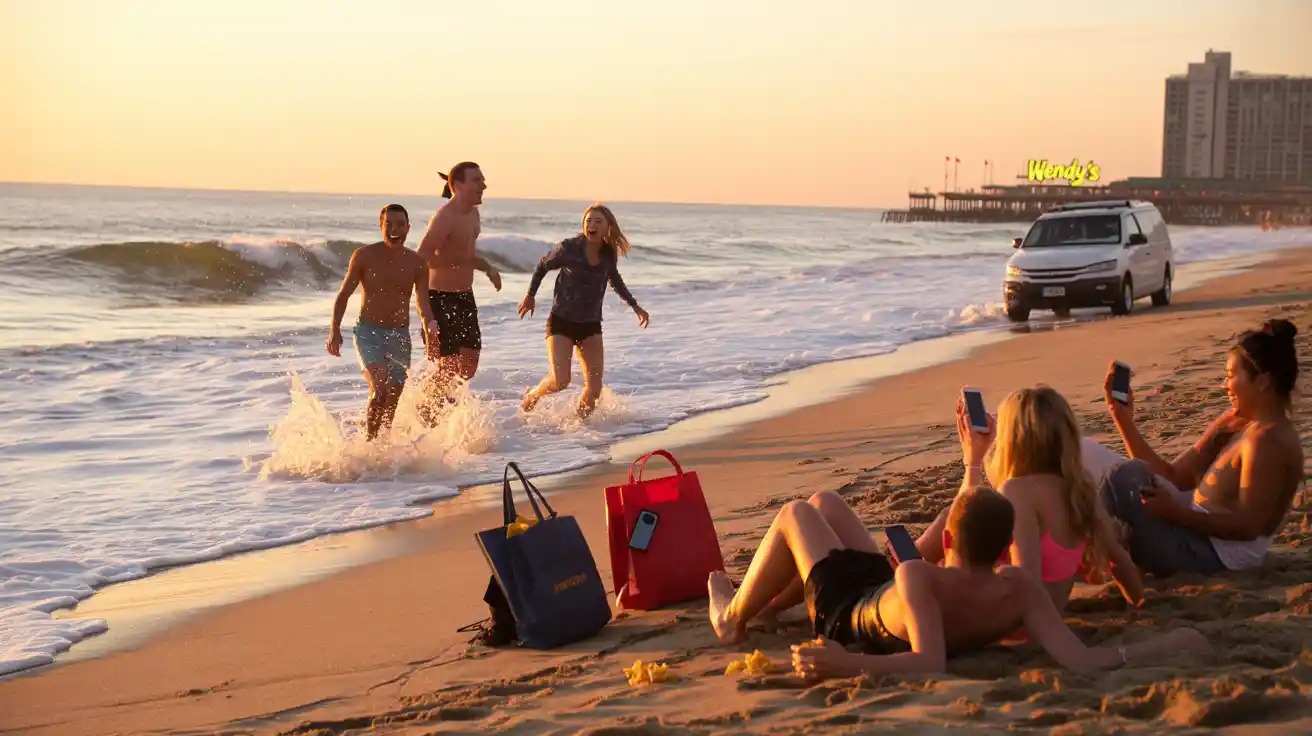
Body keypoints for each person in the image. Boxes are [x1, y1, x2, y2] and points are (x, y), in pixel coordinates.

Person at [707, 487, 1207, 679]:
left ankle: (731, 618)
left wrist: (846, 664)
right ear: (1004, 546)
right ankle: (765, 603)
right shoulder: (1019, 587)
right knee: (827, 503)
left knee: (796, 513)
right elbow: (1082, 659)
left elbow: (929, 662)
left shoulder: (918, 575)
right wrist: (1164, 645)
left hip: (846, 615)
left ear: (946, 538)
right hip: (884, 594)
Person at [1097, 319, 1303, 577]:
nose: (1224, 385)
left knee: (1119, 478)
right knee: (1119, 473)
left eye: (1231, 376)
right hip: (1190, 532)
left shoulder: (1267, 441)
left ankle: (1086, 557)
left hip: (1208, 555)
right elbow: (1173, 476)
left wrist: (1175, 513)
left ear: (1262, 382)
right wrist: (1122, 419)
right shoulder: (1236, 423)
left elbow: (1249, 526)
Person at [912, 387, 1144, 609]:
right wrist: (1138, 600)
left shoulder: (1018, 492)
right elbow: (1119, 560)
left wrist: (972, 463)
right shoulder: (1079, 487)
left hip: (1014, 618)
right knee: (952, 526)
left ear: (1010, 440)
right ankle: (903, 564)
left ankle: (900, 568)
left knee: (940, 534)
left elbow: (1026, 580)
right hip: (1047, 608)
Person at [517, 204, 650, 418]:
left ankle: (580, 428)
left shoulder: (608, 254)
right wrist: (530, 295)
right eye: (588, 220)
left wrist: (634, 305)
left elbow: (614, 279)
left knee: (594, 390)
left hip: (590, 324)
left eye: (598, 221)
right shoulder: (568, 248)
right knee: (560, 381)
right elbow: (543, 265)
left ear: (607, 227)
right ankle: (533, 395)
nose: (592, 225)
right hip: (561, 322)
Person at [327, 204, 438, 441]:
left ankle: (382, 445)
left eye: (400, 225)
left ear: (408, 228)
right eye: (389, 224)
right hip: (368, 333)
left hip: (399, 335)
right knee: (380, 389)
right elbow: (344, 294)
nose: (394, 230)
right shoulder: (364, 256)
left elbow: (423, 304)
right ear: (380, 226)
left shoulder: (417, 262)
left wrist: (430, 327)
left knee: (393, 397)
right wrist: (334, 330)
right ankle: (369, 443)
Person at [415, 162, 502, 417]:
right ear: (458, 185)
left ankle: (437, 411)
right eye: (477, 180)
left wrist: (487, 268)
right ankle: (423, 412)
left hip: (465, 296)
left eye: (482, 180)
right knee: (449, 367)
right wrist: (426, 317)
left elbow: (467, 253)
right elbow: (422, 257)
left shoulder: (473, 213)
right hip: (440, 298)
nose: (483, 185)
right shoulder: (445, 217)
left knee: (469, 366)